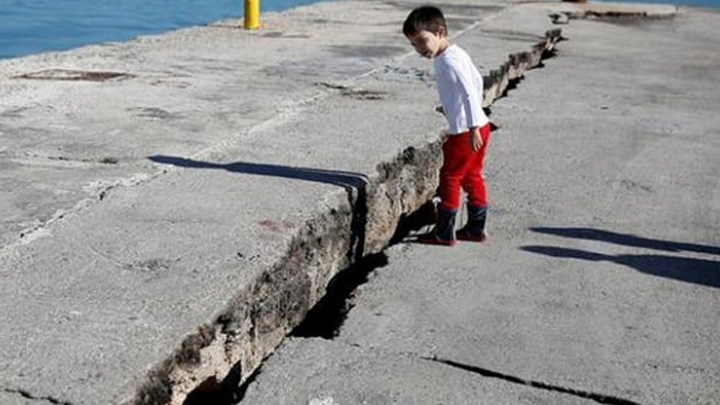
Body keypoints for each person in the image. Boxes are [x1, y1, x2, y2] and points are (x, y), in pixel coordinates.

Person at [403, 5, 492, 246]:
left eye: (422, 41)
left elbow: (470, 92)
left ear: (440, 31)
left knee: (450, 177)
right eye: (414, 45)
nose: (420, 50)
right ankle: (476, 228)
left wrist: (471, 125)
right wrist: (456, 111)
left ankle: (444, 232)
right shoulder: (455, 53)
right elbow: (477, 81)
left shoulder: (449, 61)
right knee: (472, 175)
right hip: (477, 125)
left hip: (466, 131)